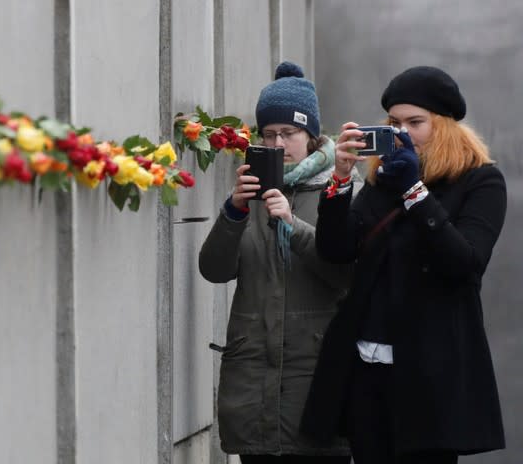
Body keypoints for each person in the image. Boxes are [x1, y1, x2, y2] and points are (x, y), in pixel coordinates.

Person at [300, 66, 507, 463]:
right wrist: (340, 181)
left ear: (443, 125)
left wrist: (415, 192)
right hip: (367, 365)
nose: (403, 132)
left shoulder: (481, 182)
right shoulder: (382, 180)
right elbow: (336, 250)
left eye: (416, 122)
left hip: (431, 375)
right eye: (394, 122)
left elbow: (465, 262)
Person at [199, 61, 353, 463]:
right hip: (253, 393)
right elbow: (214, 270)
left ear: (312, 136)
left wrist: (292, 222)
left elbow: (344, 274)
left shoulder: (338, 191)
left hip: (318, 388)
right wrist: (233, 212)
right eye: (269, 134)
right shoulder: (248, 198)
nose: (278, 143)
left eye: (289, 133)